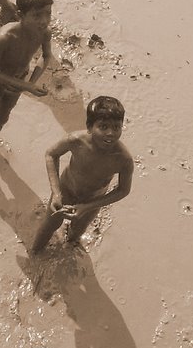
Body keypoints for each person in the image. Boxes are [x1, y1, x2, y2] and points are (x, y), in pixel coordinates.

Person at [32, 96, 133, 253]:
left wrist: (87, 207)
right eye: (103, 127)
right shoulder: (76, 140)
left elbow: (124, 190)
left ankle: (69, 246)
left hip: (93, 200)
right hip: (65, 191)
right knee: (48, 226)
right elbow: (51, 154)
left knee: (77, 232)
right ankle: (34, 254)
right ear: (89, 127)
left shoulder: (123, 159)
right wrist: (56, 192)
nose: (110, 133)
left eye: (116, 127)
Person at [0, 0, 57, 153]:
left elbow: (45, 56)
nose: (44, 21)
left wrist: (32, 81)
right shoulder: (5, 37)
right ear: (20, 15)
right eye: (37, 16)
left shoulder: (45, 33)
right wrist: (28, 86)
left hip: (19, 81)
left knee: (2, 120)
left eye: (48, 14)